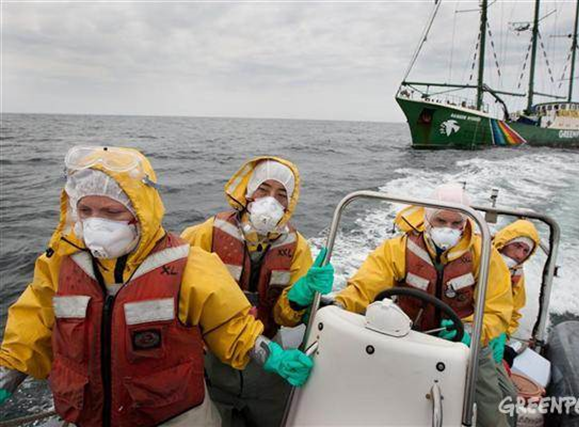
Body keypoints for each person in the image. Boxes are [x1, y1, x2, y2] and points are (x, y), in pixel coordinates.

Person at [0, 146, 313, 427]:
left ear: (140, 213)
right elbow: (34, 320)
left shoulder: (189, 263)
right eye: (86, 211)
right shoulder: (59, 265)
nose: (97, 222)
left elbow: (228, 321)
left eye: (111, 212)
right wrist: (9, 372)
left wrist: (271, 352)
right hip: (92, 412)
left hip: (175, 412)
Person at [332, 183, 514, 427]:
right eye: (441, 221)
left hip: (467, 344)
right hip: (406, 338)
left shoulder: (485, 255)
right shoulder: (397, 249)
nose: (448, 229)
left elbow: (498, 309)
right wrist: (339, 305)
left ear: (466, 224)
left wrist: (473, 333)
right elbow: (364, 287)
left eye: (456, 223)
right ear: (427, 218)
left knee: (494, 412)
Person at [181, 156, 333, 427]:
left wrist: (301, 296)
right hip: (212, 357)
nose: (271, 199)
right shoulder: (206, 232)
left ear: (289, 203)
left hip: (270, 358)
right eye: (263, 189)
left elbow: (287, 318)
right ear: (248, 192)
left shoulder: (298, 248)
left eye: (281, 194)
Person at [493, 219, 540, 364]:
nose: (519, 255)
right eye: (517, 246)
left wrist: (503, 336)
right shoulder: (476, 256)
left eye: (526, 251)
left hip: (491, 336)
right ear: (505, 242)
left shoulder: (516, 276)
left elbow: (514, 312)